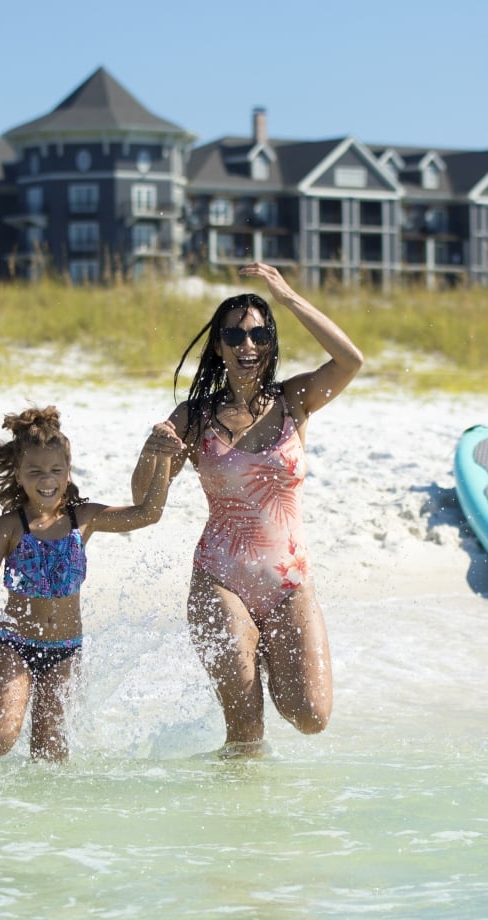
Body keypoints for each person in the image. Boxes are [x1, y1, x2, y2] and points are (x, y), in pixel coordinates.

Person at [132, 263, 364, 756]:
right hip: (221, 579)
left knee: (311, 717)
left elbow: (350, 360)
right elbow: (145, 501)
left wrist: (286, 296)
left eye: (259, 334)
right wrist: (153, 454)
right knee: (246, 733)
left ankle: (260, 654)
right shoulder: (194, 417)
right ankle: (237, 828)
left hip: (289, 581)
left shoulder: (294, 400)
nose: (247, 345)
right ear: (218, 345)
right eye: (234, 335)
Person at [0, 405, 175, 761]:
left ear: (67, 473)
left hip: (65, 649)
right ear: (19, 474)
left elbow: (148, 514)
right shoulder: (10, 526)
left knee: (50, 755)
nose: (46, 479)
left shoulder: (85, 518)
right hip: (16, 644)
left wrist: (163, 459)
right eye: (35, 471)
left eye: (55, 470)